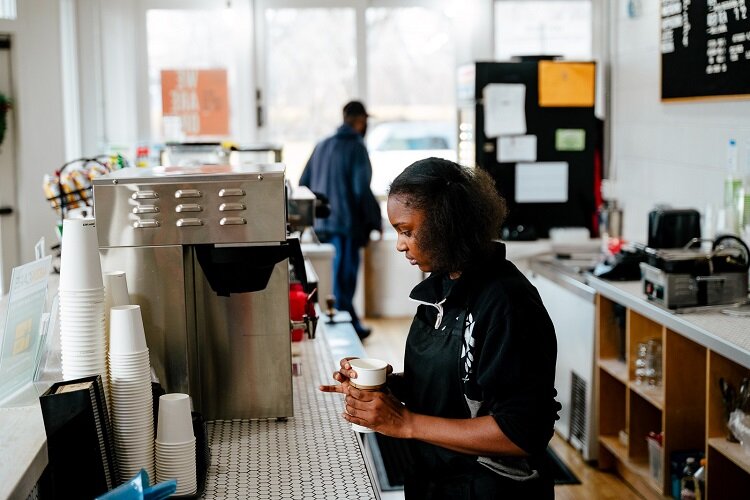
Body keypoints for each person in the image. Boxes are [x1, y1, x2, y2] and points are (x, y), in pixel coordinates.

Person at [320, 157, 560, 498]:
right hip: (435, 479)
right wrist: (388, 387)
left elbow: (523, 432)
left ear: (446, 223)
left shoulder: (507, 303)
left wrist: (405, 423)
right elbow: (462, 388)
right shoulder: (442, 288)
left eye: (407, 231)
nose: (401, 244)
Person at [299, 100, 382, 340]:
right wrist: (374, 221)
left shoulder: (322, 145)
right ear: (360, 121)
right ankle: (347, 331)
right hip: (346, 226)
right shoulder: (356, 147)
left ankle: (345, 324)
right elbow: (360, 189)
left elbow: (303, 182)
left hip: (321, 225)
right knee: (344, 279)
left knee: (330, 278)